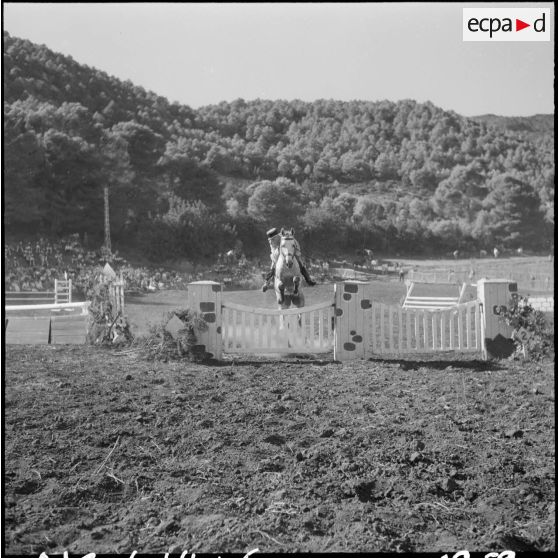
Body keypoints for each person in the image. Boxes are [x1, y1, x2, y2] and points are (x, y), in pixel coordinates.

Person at [262, 227, 316, 292]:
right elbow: (273, 252)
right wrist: (276, 258)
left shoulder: (286, 237)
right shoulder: (271, 242)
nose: (271, 241)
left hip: (291, 252)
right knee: (273, 266)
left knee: (300, 262)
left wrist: (296, 254)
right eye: (270, 239)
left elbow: (295, 244)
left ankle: (308, 279)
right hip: (278, 254)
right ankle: (267, 283)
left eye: (273, 239)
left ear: (277, 236)